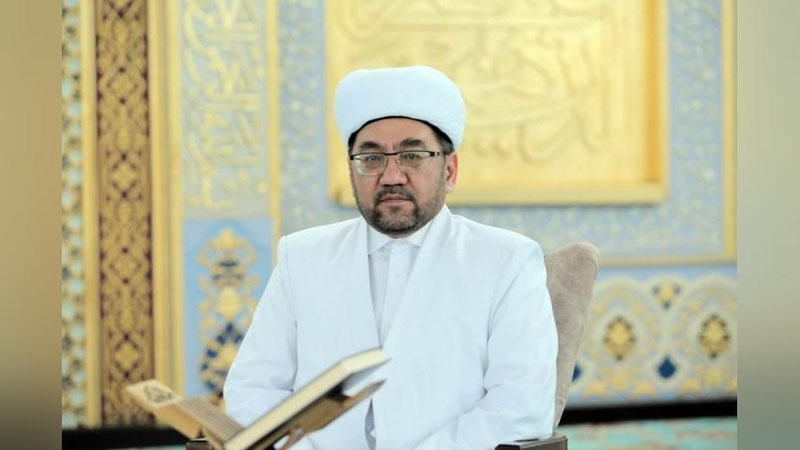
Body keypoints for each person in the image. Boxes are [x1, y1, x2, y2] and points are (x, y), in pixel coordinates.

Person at [224, 66, 557, 449]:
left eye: (413, 156)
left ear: (449, 170)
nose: (392, 175)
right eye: (371, 159)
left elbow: (520, 408)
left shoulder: (506, 261)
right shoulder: (301, 257)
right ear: (352, 171)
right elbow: (253, 390)